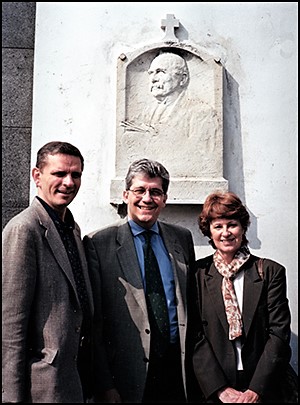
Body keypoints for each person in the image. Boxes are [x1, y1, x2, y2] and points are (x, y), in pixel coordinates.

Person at [83, 158, 196, 403]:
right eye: (140, 190)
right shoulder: (98, 243)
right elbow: (95, 323)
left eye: (155, 192)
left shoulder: (182, 238)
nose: (147, 198)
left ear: (164, 199)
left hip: (177, 370)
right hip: (126, 375)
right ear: (125, 195)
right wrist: (104, 385)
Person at [2, 141, 94, 403]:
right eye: (59, 173)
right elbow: (11, 326)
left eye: (75, 174)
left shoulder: (72, 229)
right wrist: (11, 397)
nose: (68, 182)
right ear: (37, 176)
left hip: (74, 380)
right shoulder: (24, 229)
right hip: (42, 385)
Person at [189, 191, 293, 403]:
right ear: (209, 231)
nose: (225, 232)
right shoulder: (197, 274)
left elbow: (279, 334)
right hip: (216, 386)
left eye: (232, 224)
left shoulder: (270, 271)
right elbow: (194, 334)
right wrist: (220, 390)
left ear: (243, 227)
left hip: (263, 384)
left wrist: (255, 390)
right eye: (218, 226)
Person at [120, 52, 220, 178]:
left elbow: (204, 159)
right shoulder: (146, 114)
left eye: (161, 72)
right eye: (151, 73)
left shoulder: (202, 113)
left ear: (182, 79)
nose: (154, 79)